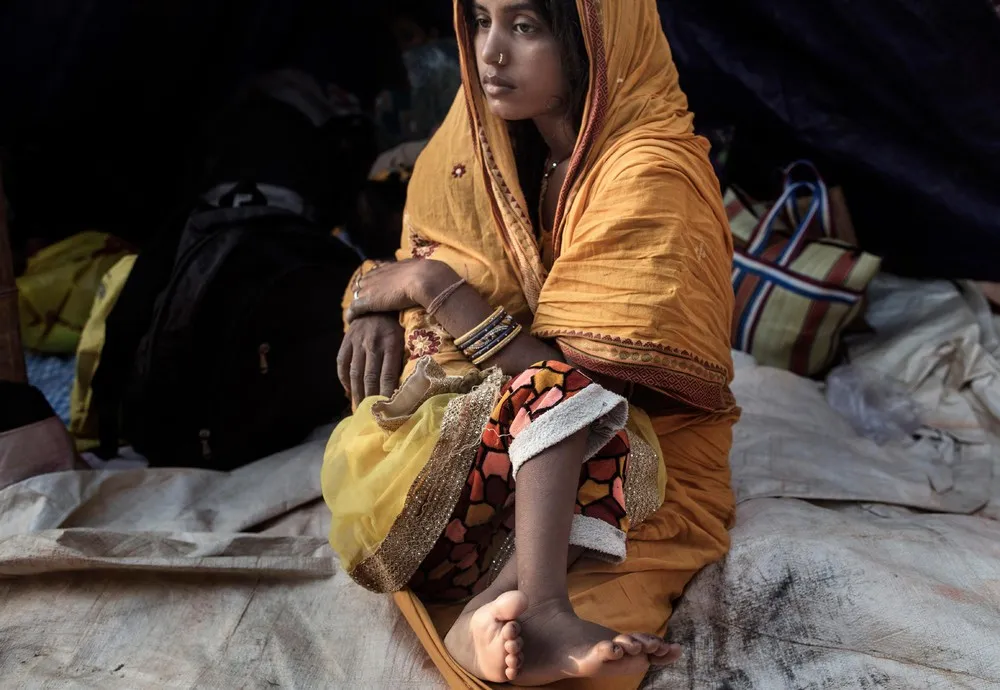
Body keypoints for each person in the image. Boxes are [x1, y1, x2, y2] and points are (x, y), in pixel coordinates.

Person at [322, 0, 738, 686]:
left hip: (641, 450)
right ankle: (512, 608)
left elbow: (578, 385)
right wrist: (376, 297)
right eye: (480, 20)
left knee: (592, 673)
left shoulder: (648, 173)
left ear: (595, 42)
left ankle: (502, 611)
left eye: (524, 27)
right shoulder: (479, 141)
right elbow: (420, 262)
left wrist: (433, 287)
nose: (490, 53)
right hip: (511, 432)